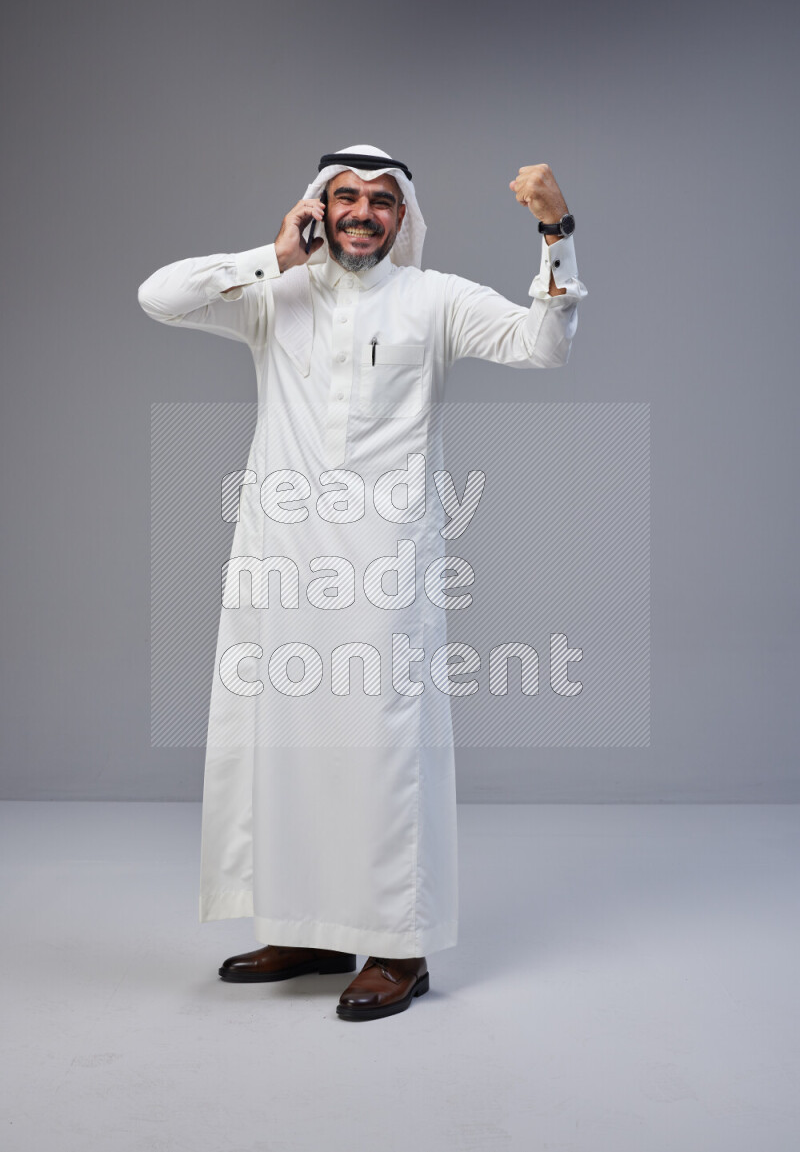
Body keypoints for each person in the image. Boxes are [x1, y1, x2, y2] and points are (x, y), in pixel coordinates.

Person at [137, 144, 587, 1022]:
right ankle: (308, 927)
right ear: (317, 207)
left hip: (385, 569)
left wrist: (554, 229)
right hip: (281, 562)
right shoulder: (275, 296)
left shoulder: (434, 299)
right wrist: (273, 255)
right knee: (287, 747)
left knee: (382, 755)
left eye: (382, 201)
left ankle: (399, 948)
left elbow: (545, 345)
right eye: (346, 198)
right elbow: (159, 296)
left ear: (403, 217)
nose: (362, 213)